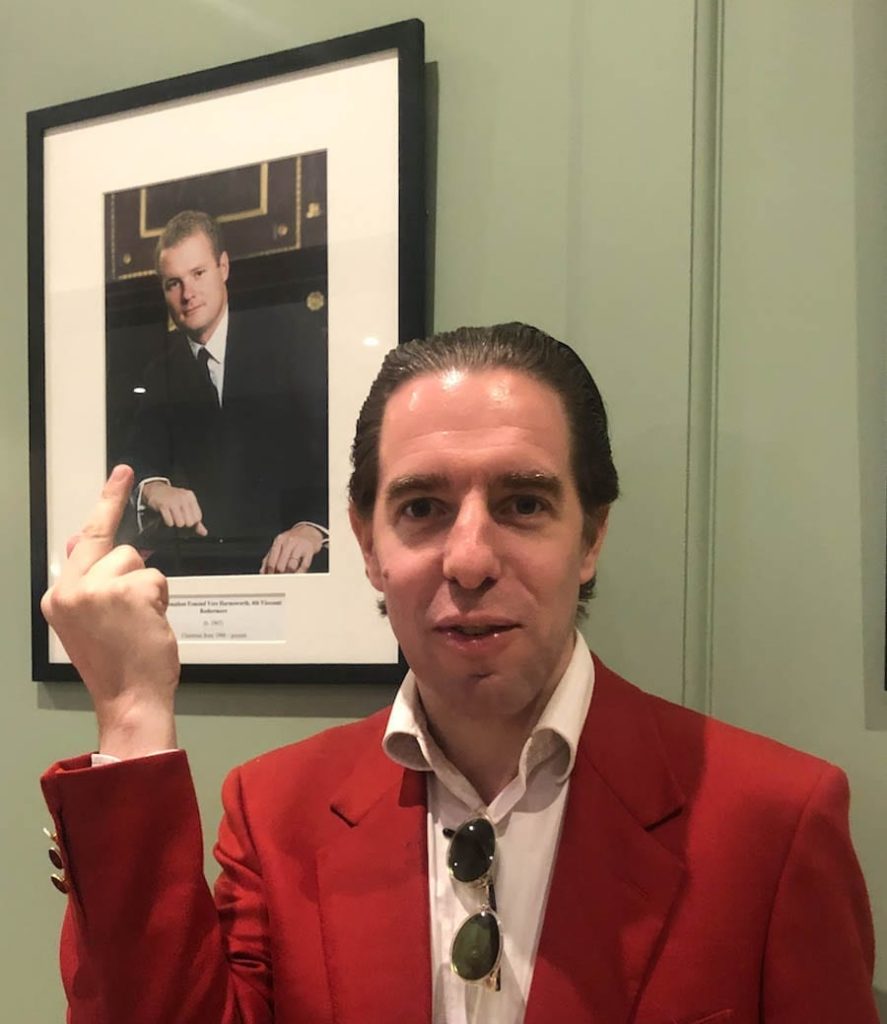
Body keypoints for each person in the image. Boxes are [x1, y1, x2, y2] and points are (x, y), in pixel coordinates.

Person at [41, 323, 877, 1023]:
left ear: (590, 537)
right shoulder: (275, 813)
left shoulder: (772, 824)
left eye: (523, 504)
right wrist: (131, 708)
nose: (470, 560)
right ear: (367, 545)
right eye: (421, 508)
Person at [125, 209, 328, 576]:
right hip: (200, 572)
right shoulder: (158, 371)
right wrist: (155, 488)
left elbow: (338, 449)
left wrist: (313, 528)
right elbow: (137, 457)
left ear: (223, 267)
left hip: (293, 568)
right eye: (173, 283)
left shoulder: (291, 336)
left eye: (198, 273)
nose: (188, 294)